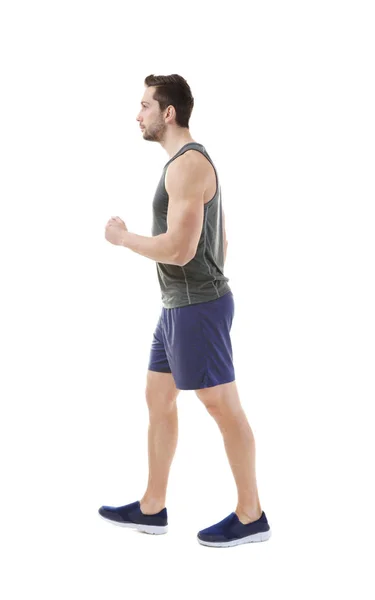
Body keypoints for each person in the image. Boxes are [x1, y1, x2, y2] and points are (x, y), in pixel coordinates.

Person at [100, 74, 271, 548]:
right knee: (158, 397)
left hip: (198, 308)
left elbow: (178, 249)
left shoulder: (188, 164)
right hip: (177, 307)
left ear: (168, 113)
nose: (138, 115)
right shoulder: (181, 163)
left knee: (223, 408)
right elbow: (219, 237)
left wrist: (122, 237)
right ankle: (152, 507)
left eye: (144, 106)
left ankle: (251, 515)